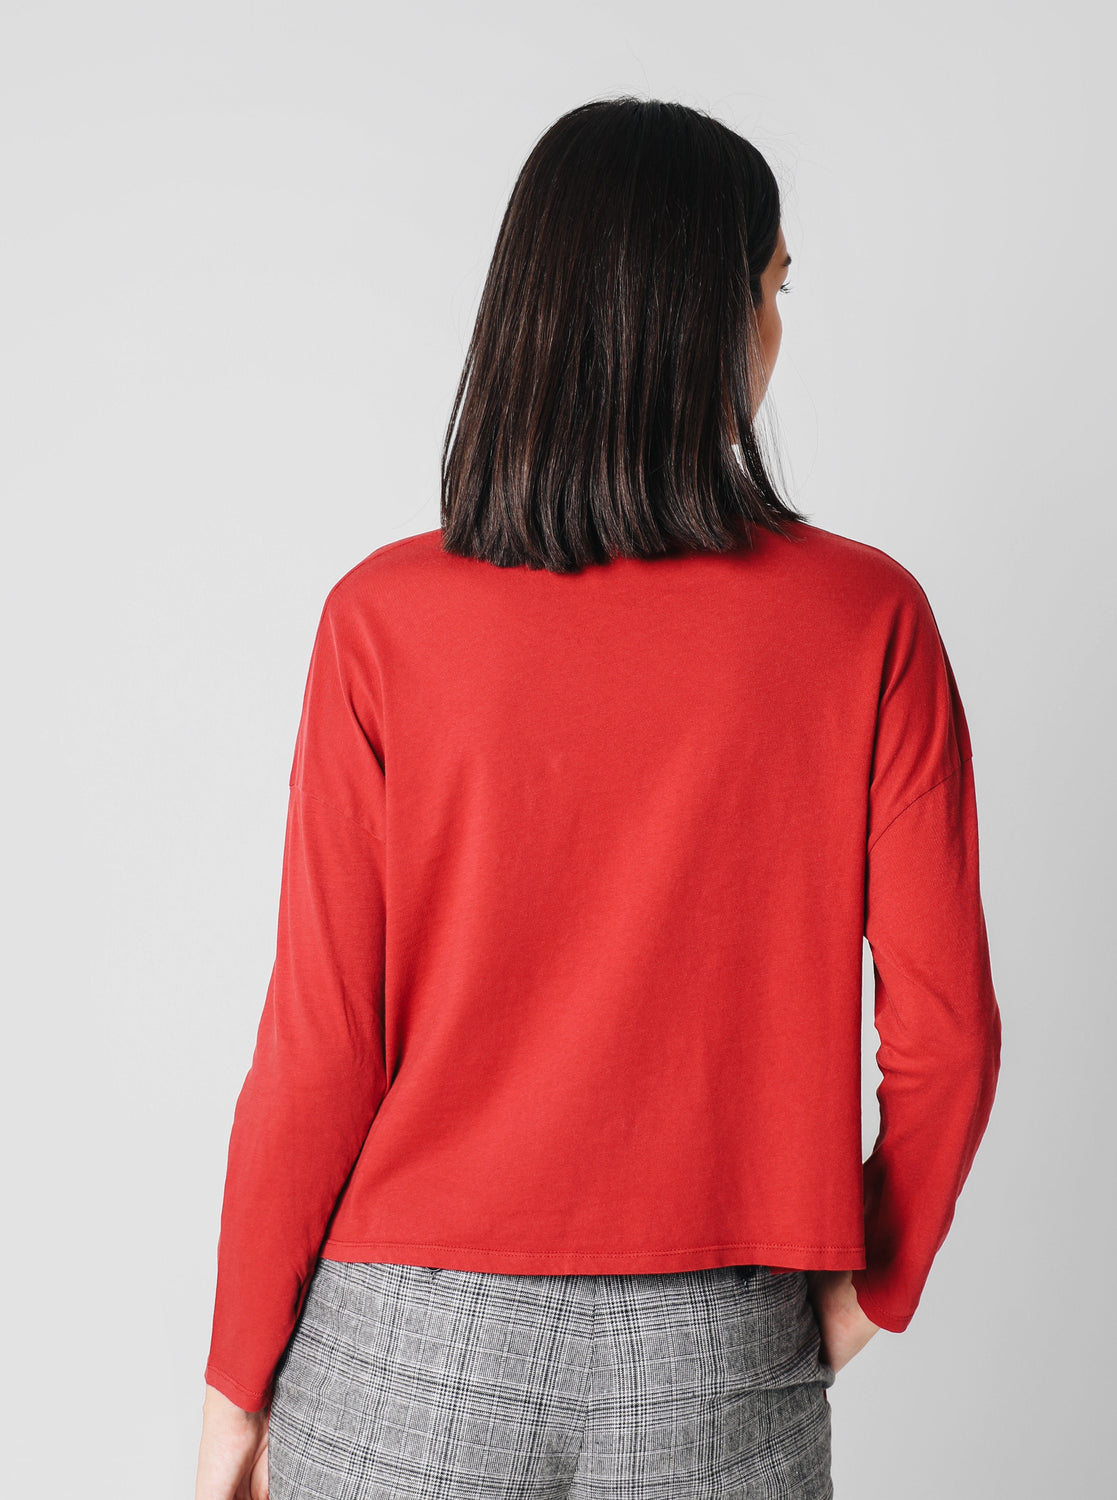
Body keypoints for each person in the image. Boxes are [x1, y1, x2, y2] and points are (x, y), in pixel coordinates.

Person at [194, 96, 1001, 1500]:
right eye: (772, 288)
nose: (778, 328)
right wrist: (873, 1289)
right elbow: (949, 1038)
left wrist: (232, 1389)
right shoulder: (866, 618)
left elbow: (320, 1052)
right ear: (706, 319)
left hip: (400, 1349)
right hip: (722, 1346)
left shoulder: (383, 620)